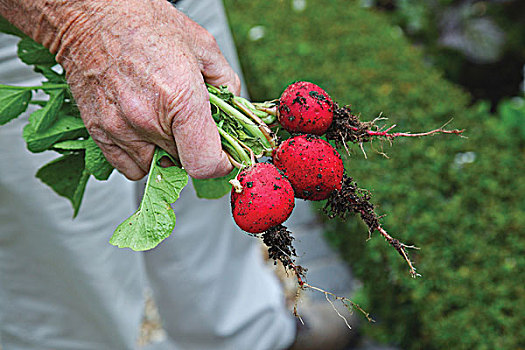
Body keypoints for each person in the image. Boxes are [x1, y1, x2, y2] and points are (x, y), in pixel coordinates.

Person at [0, 1, 355, 349]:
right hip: (33, 29)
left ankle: (254, 336)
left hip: (179, 11)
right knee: (72, 277)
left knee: (206, 204)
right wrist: (77, 25)